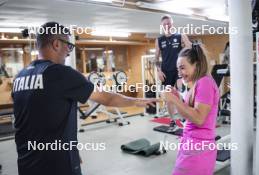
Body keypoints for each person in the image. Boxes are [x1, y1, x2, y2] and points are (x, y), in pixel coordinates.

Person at [11, 22, 157, 175]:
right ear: (56, 44)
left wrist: (71, 148)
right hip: (57, 165)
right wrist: (136, 100)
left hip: (26, 164)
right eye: (68, 45)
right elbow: (107, 98)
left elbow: (34, 119)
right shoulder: (61, 73)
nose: (69, 51)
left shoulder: (20, 77)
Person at [161, 43, 220, 175]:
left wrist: (175, 99)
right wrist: (174, 99)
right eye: (178, 69)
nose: (180, 73)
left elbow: (199, 119)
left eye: (183, 68)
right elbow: (178, 117)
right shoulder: (194, 86)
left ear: (197, 65)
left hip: (199, 148)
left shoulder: (205, 82)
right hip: (190, 144)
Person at [155, 15, 192, 128]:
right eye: (165, 24)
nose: (167, 26)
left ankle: (185, 117)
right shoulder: (159, 40)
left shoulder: (180, 35)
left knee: (181, 93)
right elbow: (156, 58)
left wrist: (185, 45)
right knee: (169, 98)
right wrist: (159, 71)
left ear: (172, 24)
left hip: (179, 71)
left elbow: (190, 48)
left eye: (169, 23)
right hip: (166, 72)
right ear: (162, 25)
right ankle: (172, 120)